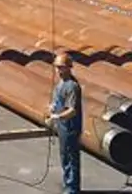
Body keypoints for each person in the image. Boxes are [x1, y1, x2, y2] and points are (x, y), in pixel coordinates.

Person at [47, 53, 83, 194]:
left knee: (71, 157)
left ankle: (72, 188)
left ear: (69, 68)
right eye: (57, 67)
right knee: (64, 156)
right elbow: (57, 101)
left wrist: (57, 117)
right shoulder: (60, 84)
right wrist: (52, 107)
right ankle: (68, 183)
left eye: (61, 67)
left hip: (71, 127)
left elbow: (72, 110)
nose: (58, 71)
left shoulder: (72, 86)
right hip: (63, 127)